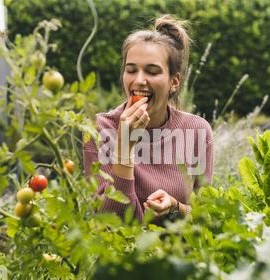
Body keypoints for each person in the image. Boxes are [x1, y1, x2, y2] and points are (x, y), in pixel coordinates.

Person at [83, 15, 213, 223]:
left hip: (178, 253)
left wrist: (175, 208)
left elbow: (207, 216)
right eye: (131, 70)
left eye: (152, 71)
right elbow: (108, 222)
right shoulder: (100, 129)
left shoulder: (196, 131)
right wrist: (125, 147)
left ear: (174, 82)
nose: (139, 80)